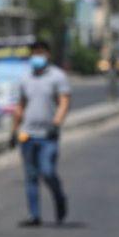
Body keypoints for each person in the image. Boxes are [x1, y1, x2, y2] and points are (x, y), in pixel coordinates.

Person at [10, 40, 70, 227]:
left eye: (40, 53)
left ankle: (59, 198)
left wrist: (57, 123)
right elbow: (20, 106)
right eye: (34, 53)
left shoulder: (57, 76)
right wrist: (13, 131)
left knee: (47, 171)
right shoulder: (24, 78)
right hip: (27, 135)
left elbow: (64, 102)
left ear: (47, 54)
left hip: (48, 136)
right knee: (31, 176)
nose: (37, 57)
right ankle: (34, 215)